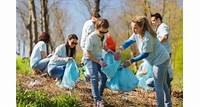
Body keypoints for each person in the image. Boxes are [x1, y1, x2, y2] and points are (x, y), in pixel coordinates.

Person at [117, 16, 172, 107]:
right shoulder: (136, 34)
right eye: (132, 27)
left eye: (135, 27)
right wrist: (120, 49)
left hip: (161, 60)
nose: (133, 30)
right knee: (163, 83)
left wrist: (131, 61)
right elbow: (128, 42)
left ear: (142, 26)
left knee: (158, 86)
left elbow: (145, 54)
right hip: (161, 58)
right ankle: (168, 105)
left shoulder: (148, 36)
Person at [83, 18, 109, 107]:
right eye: (101, 32)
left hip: (98, 58)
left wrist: (111, 52)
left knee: (104, 77)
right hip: (89, 58)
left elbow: (102, 46)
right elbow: (88, 53)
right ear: (96, 28)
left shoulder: (103, 36)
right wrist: (99, 61)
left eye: (105, 32)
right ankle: (97, 100)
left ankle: (99, 95)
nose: (103, 34)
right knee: (94, 76)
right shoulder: (91, 38)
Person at [151, 13, 173, 94]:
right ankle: (166, 91)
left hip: (165, 53)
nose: (152, 22)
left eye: (153, 20)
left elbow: (165, 37)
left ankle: (167, 92)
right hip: (163, 54)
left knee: (164, 72)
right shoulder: (159, 27)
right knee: (163, 72)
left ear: (158, 19)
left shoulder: (163, 26)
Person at [80, 11, 101, 81]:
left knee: (88, 58)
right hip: (86, 44)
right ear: (93, 18)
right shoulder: (90, 24)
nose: (97, 21)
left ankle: (86, 73)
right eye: (96, 19)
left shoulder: (89, 22)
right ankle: (86, 74)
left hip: (86, 44)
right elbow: (90, 36)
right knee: (88, 58)